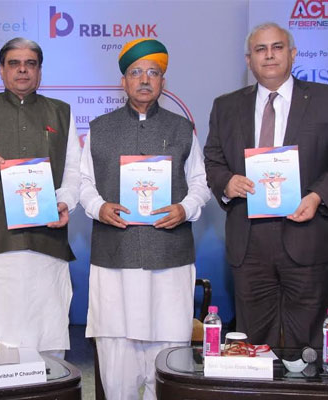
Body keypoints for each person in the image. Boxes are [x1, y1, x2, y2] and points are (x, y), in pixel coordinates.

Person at [204, 22, 328, 349]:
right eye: (260, 50)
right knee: (252, 347)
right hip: (249, 244)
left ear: (292, 54)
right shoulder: (226, 106)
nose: (269, 55)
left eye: (277, 47)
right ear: (249, 60)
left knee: (307, 350)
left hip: (308, 236)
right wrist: (227, 182)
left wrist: (318, 196)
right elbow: (213, 159)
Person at [80, 38, 210, 399]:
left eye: (153, 73)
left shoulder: (182, 128)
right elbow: (83, 183)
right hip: (114, 257)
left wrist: (184, 209)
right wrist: (99, 207)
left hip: (169, 259)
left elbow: (201, 183)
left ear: (163, 82)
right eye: (136, 72)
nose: (144, 79)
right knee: (116, 357)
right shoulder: (99, 128)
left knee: (169, 354)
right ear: (123, 81)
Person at [0, 37, 80, 361]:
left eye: (30, 64)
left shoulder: (61, 113)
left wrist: (64, 202)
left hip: (45, 245)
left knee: (46, 337)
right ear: (1, 69)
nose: (22, 70)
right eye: (14, 63)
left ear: (39, 71)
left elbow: (73, 173)